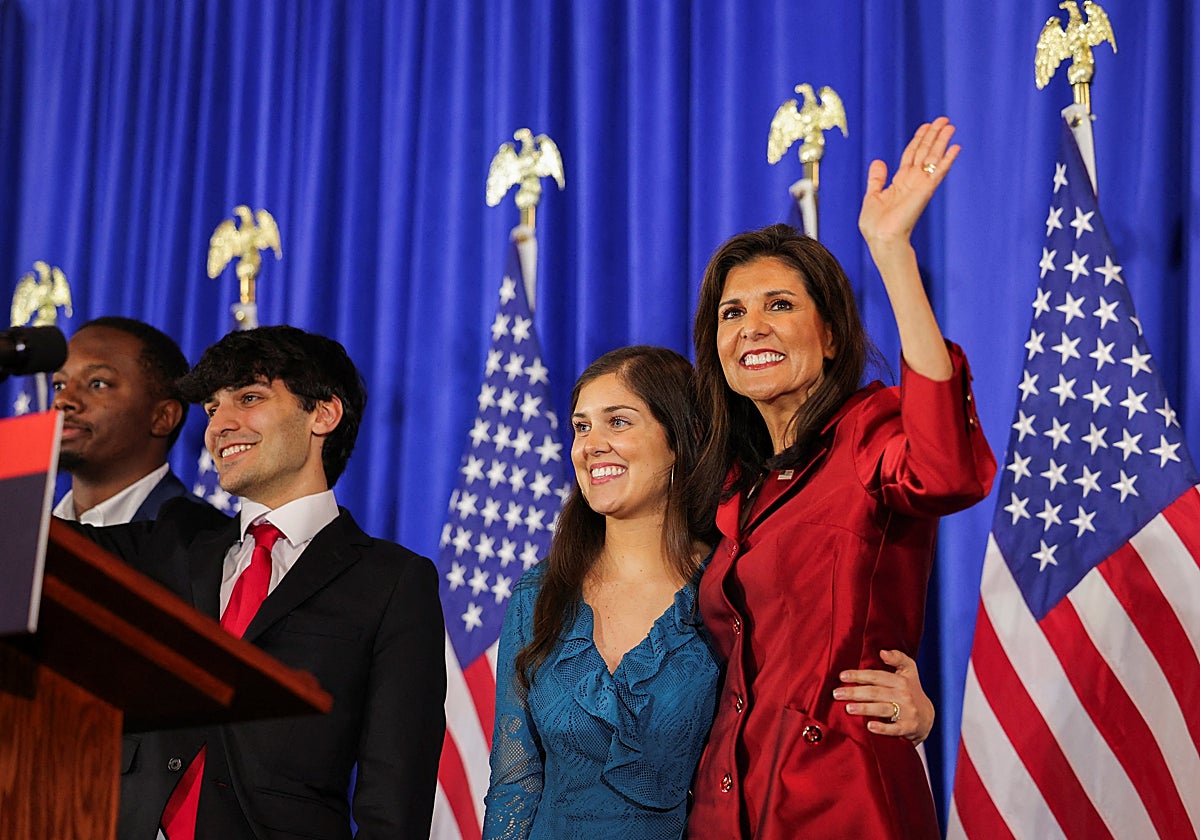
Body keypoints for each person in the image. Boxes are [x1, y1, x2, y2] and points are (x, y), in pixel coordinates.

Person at [685, 118, 997, 839]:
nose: (751, 327)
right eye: (732, 312)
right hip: (726, 810)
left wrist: (891, 255)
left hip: (845, 804)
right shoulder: (728, 488)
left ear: (830, 337)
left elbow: (945, 472)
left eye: (780, 305)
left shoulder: (866, 433)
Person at [482, 346, 936, 840]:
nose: (591, 444)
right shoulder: (540, 593)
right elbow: (515, 783)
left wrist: (913, 711)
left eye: (618, 422)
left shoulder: (730, 589)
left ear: (678, 439)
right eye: (581, 426)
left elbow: (802, 697)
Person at [67, 325, 445, 839]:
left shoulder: (392, 580)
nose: (220, 425)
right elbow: (46, 546)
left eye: (248, 398)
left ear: (323, 414)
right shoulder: (175, 539)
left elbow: (394, 798)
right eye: (212, 409)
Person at [51, 316, 197, 524]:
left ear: (163, 417)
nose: (63, 400)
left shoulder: (205, 542)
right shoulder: (25, 531)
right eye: (58, 385)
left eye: (97, 384)